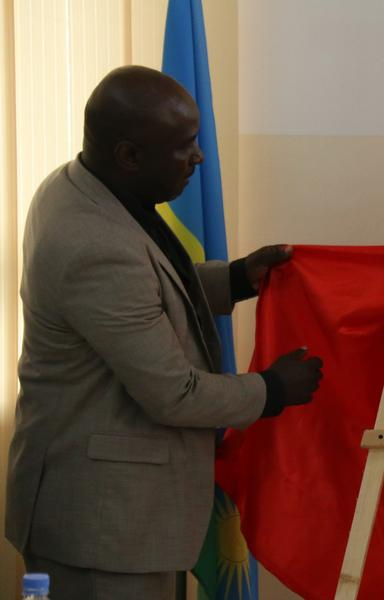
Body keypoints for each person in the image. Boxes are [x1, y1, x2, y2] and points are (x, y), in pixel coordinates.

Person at [5, 66, 323, 600]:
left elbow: (147, 287)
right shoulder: (91, 243)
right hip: (104, 527)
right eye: (184, 146)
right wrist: (272, 390)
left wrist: (237, 278)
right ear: (130, 156)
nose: (199, 158)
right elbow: (175, 393)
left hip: (123, 513)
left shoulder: (83, 185)